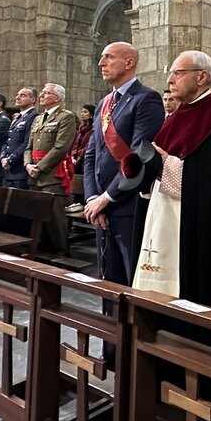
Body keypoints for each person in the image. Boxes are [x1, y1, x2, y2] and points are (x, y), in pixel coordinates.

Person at [131, 50, 211, 320]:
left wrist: (167, 164)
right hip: (163, 210)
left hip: (197, 220)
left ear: (202, 77)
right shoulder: (178, 115)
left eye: (178, 72)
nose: (170, 79)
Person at [83, 42, 164, 287]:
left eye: (108, 57)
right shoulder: (104, 103)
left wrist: (107, 197)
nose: (101, 63)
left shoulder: (146, 99)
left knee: (131, 277)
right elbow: (91, 155)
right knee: (107, 275)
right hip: (99, 204)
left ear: (129, 63)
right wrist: (92, 199)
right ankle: (110, 323)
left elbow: (141, 157)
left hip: (129, 203)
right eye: (101, 58)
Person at [25, 83, 77, 254]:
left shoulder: (66, 117)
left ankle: (60, 252)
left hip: (52, 174)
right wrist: (27, 165)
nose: (41, 95)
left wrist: (39, 167)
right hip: (34, 173)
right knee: (38, 214)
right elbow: (28, 147)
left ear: (57, 98)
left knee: (55, 218)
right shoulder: (38, 118)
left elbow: (61, 147)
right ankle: (42, 249)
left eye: (46, 93)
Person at [0, 87, 37, 188]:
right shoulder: (18, 118)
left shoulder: (33, 116)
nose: (18, 97)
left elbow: (27, 142)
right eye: (17, 95)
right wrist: (3, 156)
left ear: (33, 100)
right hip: (8, 169)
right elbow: (8, 139)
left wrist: (11, 159)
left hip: (19, 169)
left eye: (23, 95)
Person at [65, 104, 95, 213]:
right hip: (76, 160)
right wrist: (73, 155)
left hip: (85, 160)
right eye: (81, 112)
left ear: (91, 114)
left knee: (84, 182)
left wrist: (79, 157)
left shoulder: (93, 128)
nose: (82, 114)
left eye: (85, 112)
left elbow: (89, 146)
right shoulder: (81, 128)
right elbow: (76, 143)